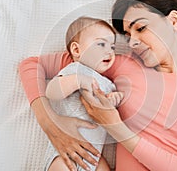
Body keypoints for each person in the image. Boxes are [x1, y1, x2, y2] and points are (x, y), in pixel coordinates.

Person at [19, 0, 177, 171]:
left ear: (173, 21)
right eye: (127, 34)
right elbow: (32, 66)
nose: (132, 41)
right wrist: (50, 122)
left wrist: (116, 127)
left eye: (141, 28)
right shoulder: (122, 61)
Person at [43, 16, 124, 171]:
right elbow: (51, 91)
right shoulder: (75, 70)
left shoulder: (108, 84)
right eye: (101, 44)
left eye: (112, 47)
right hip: (65, 152)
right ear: (76, 50)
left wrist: (114, 99)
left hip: (94, 155)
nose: (109, 51)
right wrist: (77, 81)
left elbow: (109, 116)